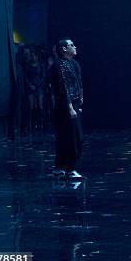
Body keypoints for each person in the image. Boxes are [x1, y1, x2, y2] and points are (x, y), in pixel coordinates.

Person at [51, 39, 84, 179]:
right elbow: (63, 87)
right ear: (64, 49)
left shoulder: (74, 63)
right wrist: (70, 107)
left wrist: (80, 100)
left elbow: (78, 82)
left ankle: (62, 168)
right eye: (71, 45)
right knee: (71, 137)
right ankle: (67, 168)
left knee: (71, 136)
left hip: (73, 104)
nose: (74, 47)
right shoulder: (59, 65)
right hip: (65, 106)